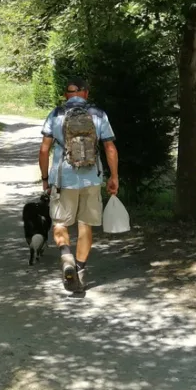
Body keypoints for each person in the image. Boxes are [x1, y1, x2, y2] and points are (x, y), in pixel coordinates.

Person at [39, 77, 118, 293]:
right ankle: (80, 270)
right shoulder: (99, 114)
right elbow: (110, 148)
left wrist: (45, 179)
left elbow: (44, 149)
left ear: (67, 95)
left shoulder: (56, 114)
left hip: (63, 179)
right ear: (86, 93)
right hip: (92, 178)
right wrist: (114, 177)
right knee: (86, 225)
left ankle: (66, 257)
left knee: (60, 223)